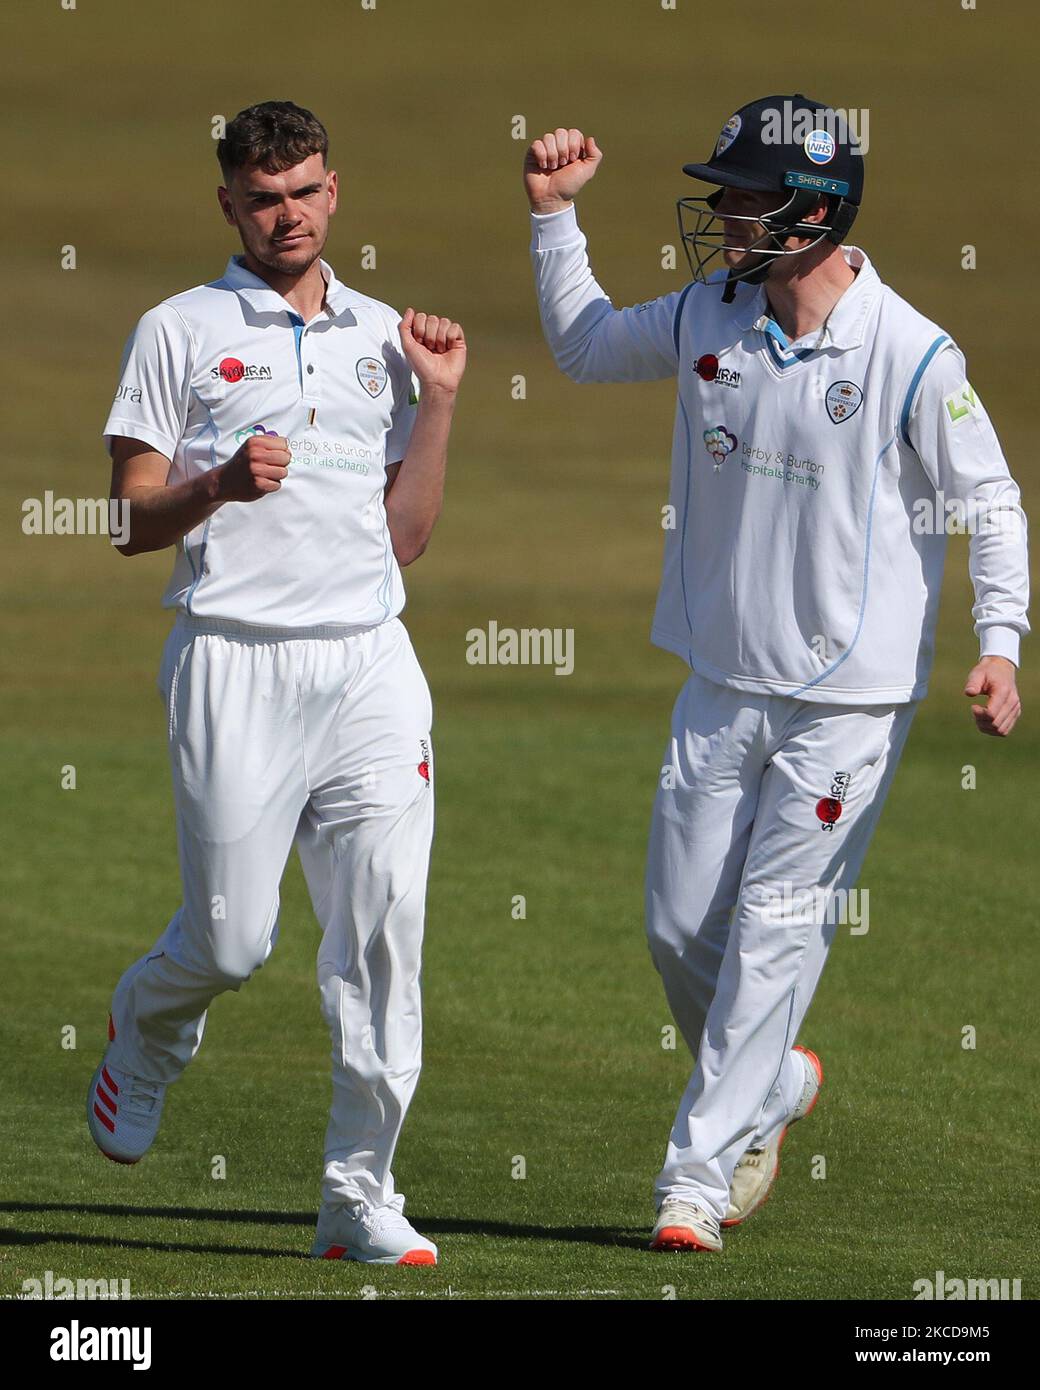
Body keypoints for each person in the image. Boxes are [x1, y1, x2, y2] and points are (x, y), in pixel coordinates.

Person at [523, 95, 1029, 1252]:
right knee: (673, 926)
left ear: (812, 210)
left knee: (770, 932)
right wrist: (554, 219)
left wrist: (998, 645)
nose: (722, 218)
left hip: (847, 701)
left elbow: (989, 503)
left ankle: (689, 1184)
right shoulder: (714, 308)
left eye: (741, 198)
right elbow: (586, 347)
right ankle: (775, 1082)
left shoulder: (908, 351)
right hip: (718, 680)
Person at [89, 100, 466, 1266]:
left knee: (381, 935)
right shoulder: (179, 328)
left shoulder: (379, 336)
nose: (285, 213)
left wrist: (442, 401)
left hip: (368, 661)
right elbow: (126, 519)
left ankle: (358, 1194)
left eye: (303, 190)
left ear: (333, 190)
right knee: (231, 942)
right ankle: (148, 1030)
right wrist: (216, 489)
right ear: (228, 205)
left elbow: (402, 537)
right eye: (262, 197)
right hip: (232, 658)